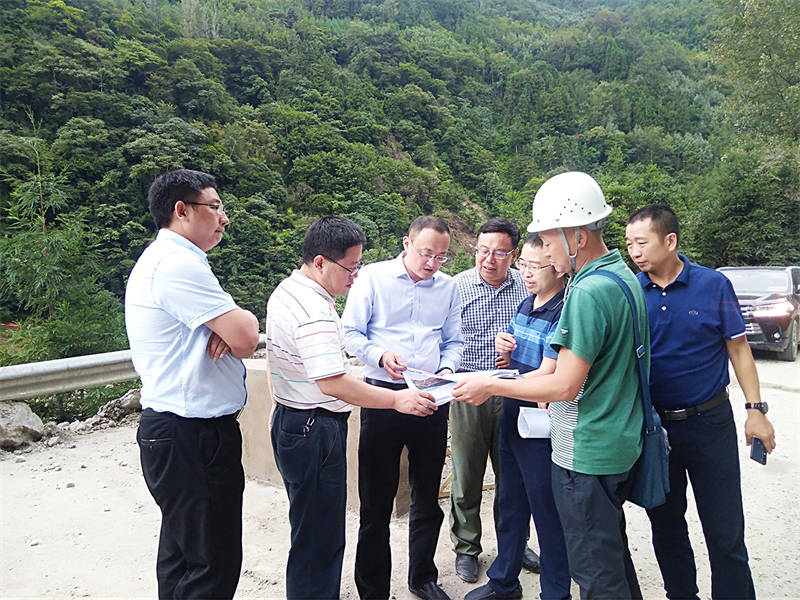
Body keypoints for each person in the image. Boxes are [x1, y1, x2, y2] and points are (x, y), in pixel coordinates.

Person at [452, 171, 646, 599]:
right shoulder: (623, 277)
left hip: (587, 446)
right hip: (613, 439)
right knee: (611, 559)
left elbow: (563, 385)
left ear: (577, 236)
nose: (550, 259)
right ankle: (507, 581)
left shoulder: (587, 291)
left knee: (595, 572)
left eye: (549, 245)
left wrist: (491, 385)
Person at [266, 216, 438, 600]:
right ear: (320, 262)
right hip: (315, 428)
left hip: (293, 420)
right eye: (350, 267)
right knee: (320, 538)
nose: (355, 276)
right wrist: (397, 399)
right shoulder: (314, 310)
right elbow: (333, 382)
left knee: (309, 529)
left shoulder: (287, 290)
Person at [625, 204, 776, 600]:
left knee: (725, 530)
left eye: (641, 242)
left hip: (710, 422)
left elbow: (738, 349)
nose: (634, 252)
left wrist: (755, 410)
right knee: (666, 526)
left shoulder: (713, 285)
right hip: (656, 429)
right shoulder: (630, 291)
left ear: (670, 241)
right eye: (629, 244)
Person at [125, 169, 261, 599]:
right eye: (214, 207)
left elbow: (236, 334)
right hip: (193, 437)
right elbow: (246, 337)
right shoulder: (176, 264)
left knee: (183, 556)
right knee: (211, 563)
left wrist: (229, 327)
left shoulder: (171, 260)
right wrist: (236, 324)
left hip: (176, 432)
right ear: (181, 210)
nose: (224, 217)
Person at [342, 216, 464, 600]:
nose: (432, 263)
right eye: (426, 253)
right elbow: (350, 334)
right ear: (407, 243)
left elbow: (454, 341)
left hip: (430, 398)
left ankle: (422, 577)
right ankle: (373, 589)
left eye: (441, 257)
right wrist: (379, 355)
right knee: (375, 501)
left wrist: (447, 370)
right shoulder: (373, 277)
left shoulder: (448, 287)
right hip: (382, 397)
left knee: (427, 496)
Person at [464, 233, 571, 600]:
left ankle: (555, 592)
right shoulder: (526, 303)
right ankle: (504, 582)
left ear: (558, 267)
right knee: (510, 501)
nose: (525, 273)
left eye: (535, 266)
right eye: (523, 264)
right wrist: (504, 351)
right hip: (513, 413)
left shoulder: (564, 310)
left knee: (547, 510)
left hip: (541, 421)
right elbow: (515, 359)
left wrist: (491, 384)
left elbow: (549, 372)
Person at [449, 218, 532, 584]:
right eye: (482, 251)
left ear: (514, 254)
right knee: (467, 473)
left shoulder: (527, 286)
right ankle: (467, 548)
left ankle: (514, 544)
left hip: (513, 391)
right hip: (468, 390)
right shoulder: (457, 287)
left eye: (499, 253)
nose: (488, 259)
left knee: (513, 475)